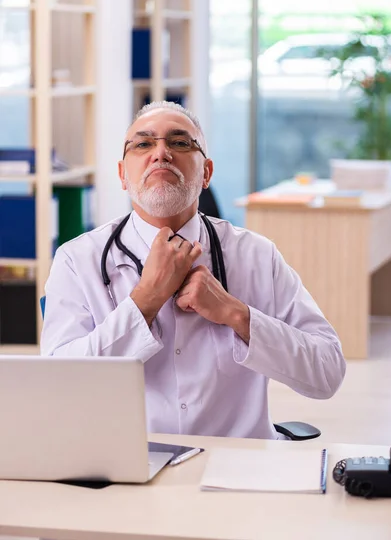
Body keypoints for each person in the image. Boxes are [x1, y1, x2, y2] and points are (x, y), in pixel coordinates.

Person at [41, 101, 346, 440]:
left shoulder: (257, 255)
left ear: (207, 173)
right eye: (143, 144)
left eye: (180, 142)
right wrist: (144, 301)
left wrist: (238, 315)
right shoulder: (77, 260)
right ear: (122, 175)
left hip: (238, 467)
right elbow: (58, 386)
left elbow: (327, 372)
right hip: (126, 466)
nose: (161, 153)